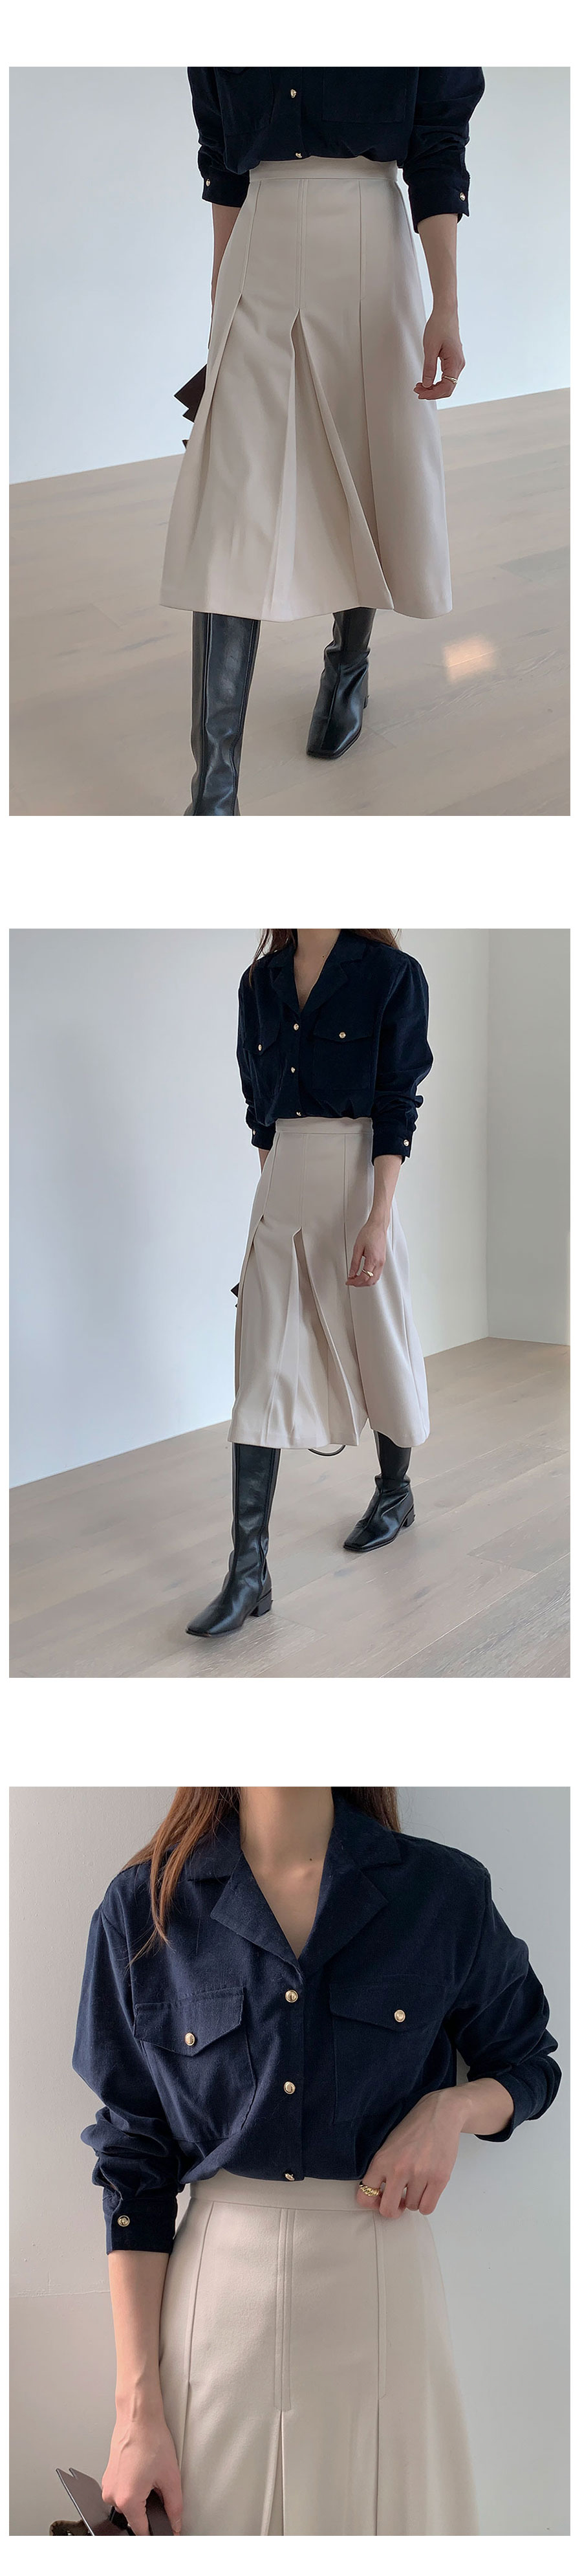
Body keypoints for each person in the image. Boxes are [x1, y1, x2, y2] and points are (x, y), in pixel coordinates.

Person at [73, 1785, 561, 2536]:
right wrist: (136, 2413)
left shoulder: (441, 1891)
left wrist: (450, 2111)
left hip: (380, 2279)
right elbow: (133, 2164)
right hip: (217, 2304)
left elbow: (528, 2063)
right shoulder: (146, 1907)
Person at [160, 67, 485, 812]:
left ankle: (347, 666)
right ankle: (214, 792)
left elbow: (439, 147)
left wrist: (447, 303)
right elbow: (222, 162)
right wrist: (219, 305)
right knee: (230, 506)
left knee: (364, 469)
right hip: (259, 245)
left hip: (372, 243)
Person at [188, 927, 431, 1638]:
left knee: (377, 1345)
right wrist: (271, 1196)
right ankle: (249, 1571)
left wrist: (378, 1216)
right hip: (282, 1180)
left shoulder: (392, 974)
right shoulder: (259, 983)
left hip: (357, 1178)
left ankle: (395, 1492)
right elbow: (258, 1107)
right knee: (260, 1365)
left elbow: (397, 1102)